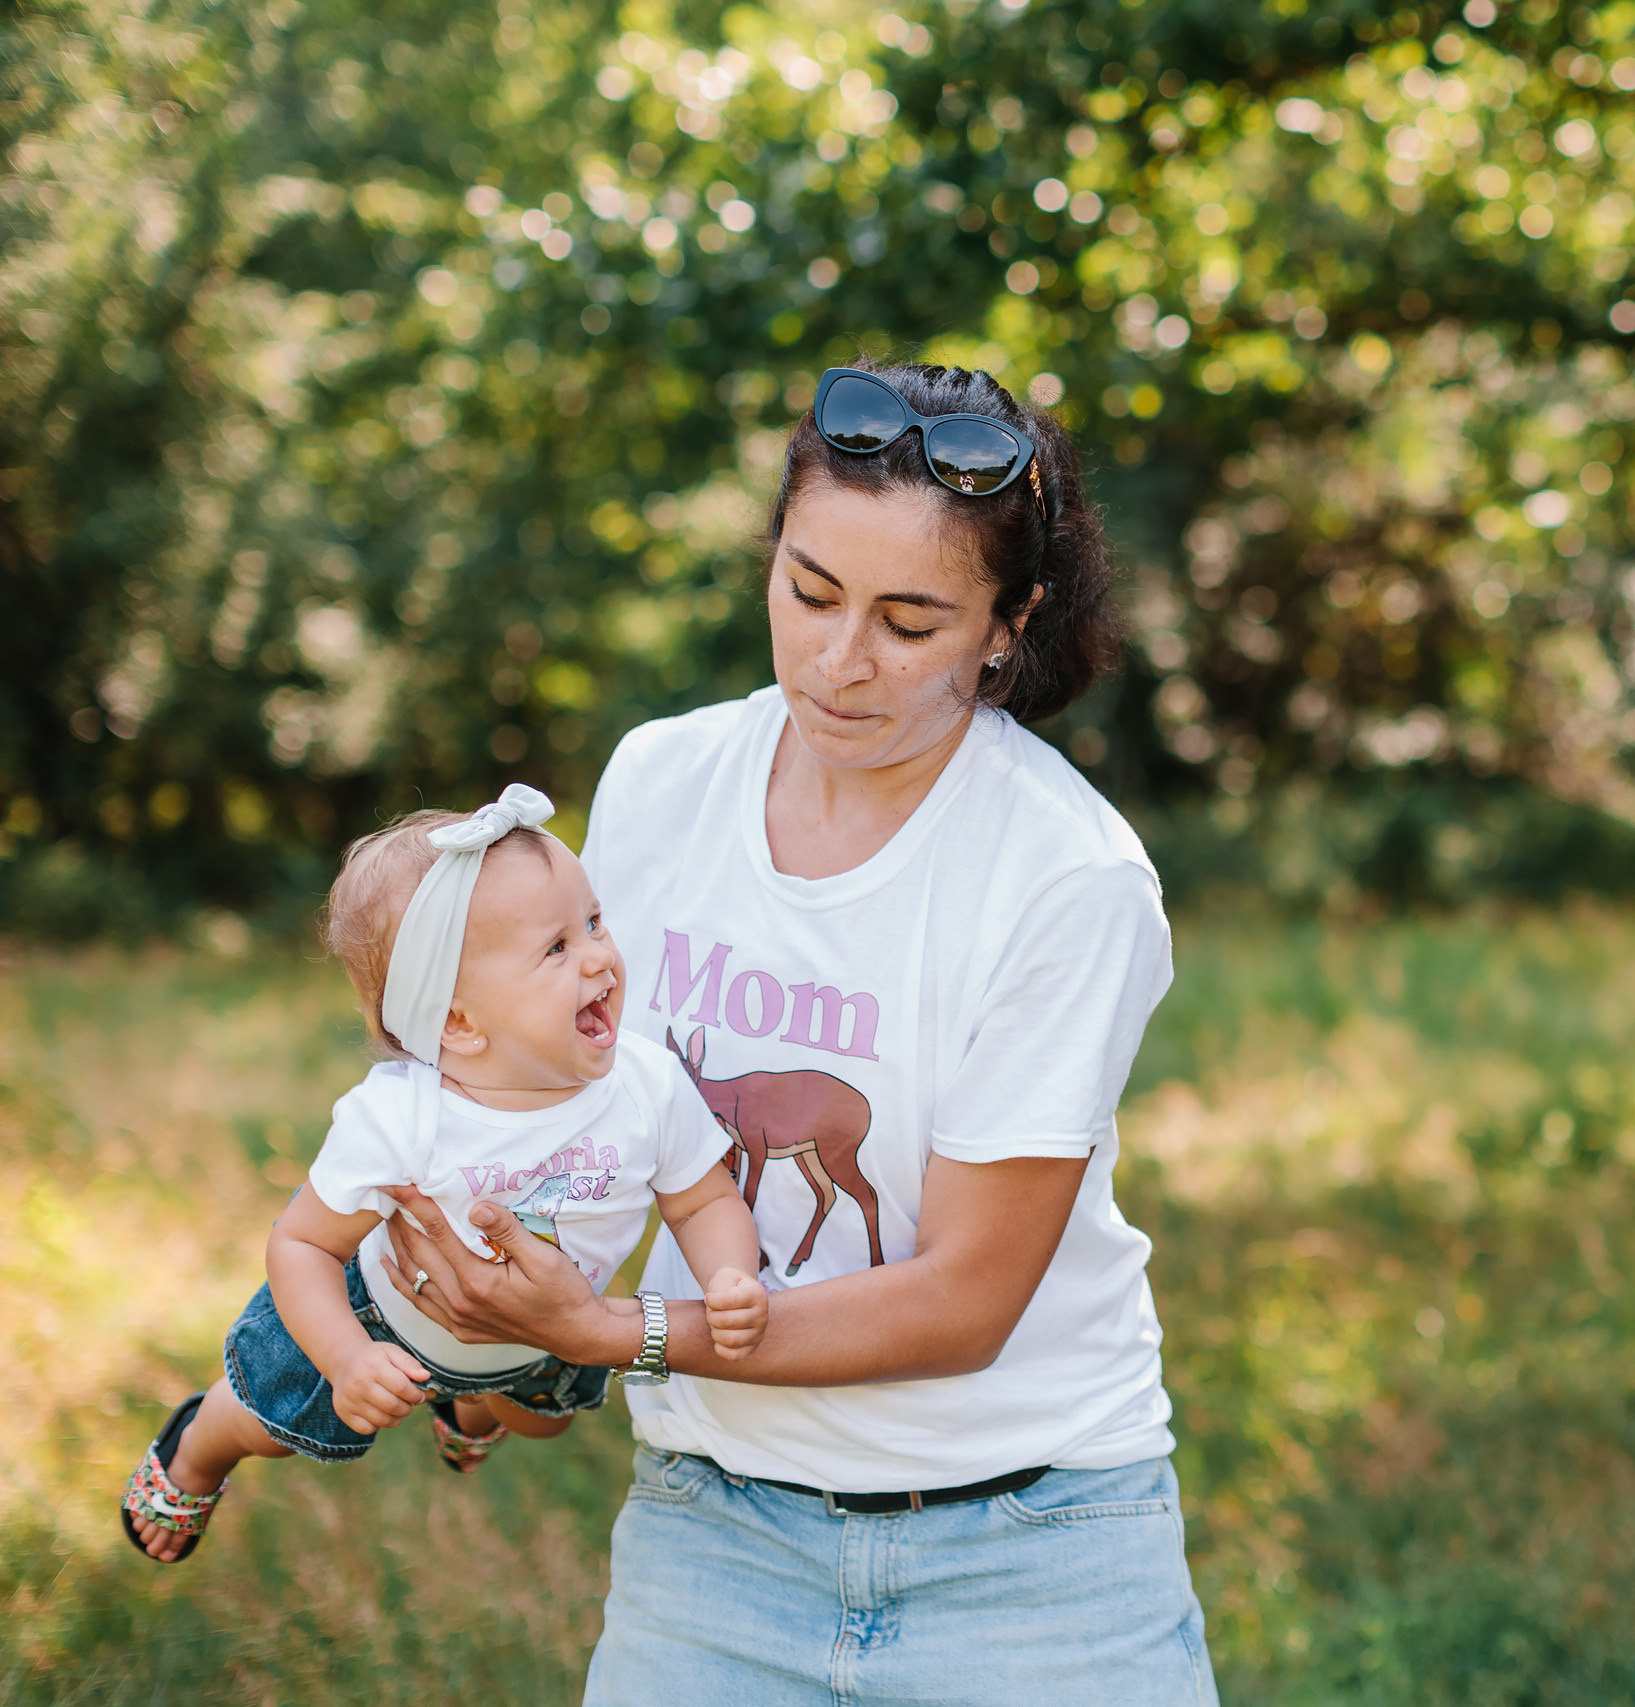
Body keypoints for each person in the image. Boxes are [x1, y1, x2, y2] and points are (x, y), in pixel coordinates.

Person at [384, 363, 1216, 1703]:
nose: (838, 661)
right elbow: (589, 1095)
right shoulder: (662, 780)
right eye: (811, 591)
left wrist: (611, 1331)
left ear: (1007, 627)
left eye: (909, 621)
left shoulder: (1068, 875)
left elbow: (963, 1303)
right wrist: (492, 1353)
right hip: (716, 1532)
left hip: (1034, 1555)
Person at [120, 787, 771, 1563]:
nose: (599, 956)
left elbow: (701, 1200)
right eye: (556, 948)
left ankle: (469, 1403)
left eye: (594, 922)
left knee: (543, 1421)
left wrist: (729, 1274)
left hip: (549, 1322)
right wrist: (346, 1357)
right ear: (460, 1023)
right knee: (273, 1420)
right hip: (381, 1314)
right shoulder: (402, 1116)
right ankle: (198, 1450)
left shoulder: (648, 1086)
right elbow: (302, 1244)